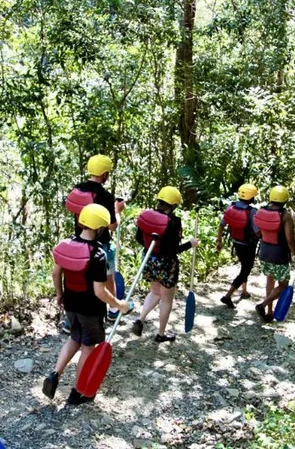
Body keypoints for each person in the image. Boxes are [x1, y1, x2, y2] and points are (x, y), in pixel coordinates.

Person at [43, 204, 131, 405]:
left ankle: (55, 374)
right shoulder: (98, 255)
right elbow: (100, 291)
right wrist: (119, 305)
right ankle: (78, 391)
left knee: (74, 338)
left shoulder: (64, 246)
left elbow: (56, 273)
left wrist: (59, 295)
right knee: (88, 346)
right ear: (100, 228)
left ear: (81, 222)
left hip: (71, 303)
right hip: (90, 309)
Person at [64, 154, 128, 328]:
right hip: (101, 244)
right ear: (105, 174)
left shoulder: (77, 189)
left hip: (79, 242)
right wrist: (118, 210)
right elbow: (112, 226)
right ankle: (114, 311)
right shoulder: (105, 195)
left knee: (80, 280)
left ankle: (71, 321)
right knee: (107, 277)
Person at [131, 186, 199, 343]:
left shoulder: (146, 216)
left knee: (155, 292)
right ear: (174, 205)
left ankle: (140, 319)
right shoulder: (174, 222)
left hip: (149, 259)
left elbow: (139, 239)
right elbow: (172, 249)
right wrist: (190, 244)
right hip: (167, 264)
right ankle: (160, 334)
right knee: (166, 299)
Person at [253, 186, 295, 322]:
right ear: (285, 199)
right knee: (283, 285)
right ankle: (262, 305)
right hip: (279, 254)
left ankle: (269, 312)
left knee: (270, 280)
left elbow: (257, 230)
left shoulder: (261, 211)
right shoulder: (285, 216)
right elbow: (289, 239)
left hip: (264, 251)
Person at [216, 183, 259, 308]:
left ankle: (244, 291)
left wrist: (219, 240)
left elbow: (222, 224)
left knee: (244, 266)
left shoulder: (232, 206)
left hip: (236, 242)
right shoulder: (252, 211)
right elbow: (256, 230)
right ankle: (228, 296)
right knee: (246, 270)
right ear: (251, 198)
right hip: (249, 244)